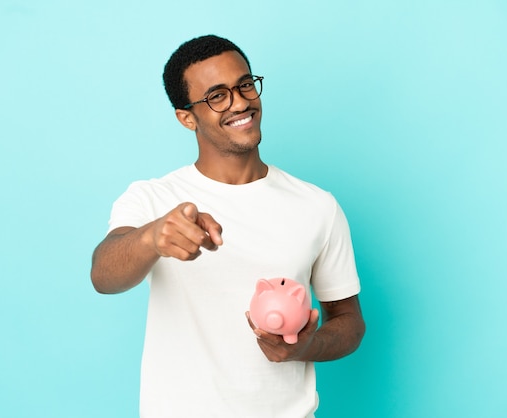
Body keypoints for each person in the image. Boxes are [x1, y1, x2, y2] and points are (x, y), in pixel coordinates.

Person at [91, 34, 366, 418]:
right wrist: (153, 237)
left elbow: (349, 321)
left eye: (245, 85)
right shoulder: (153, 198)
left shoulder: (317, 205)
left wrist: (305, 348)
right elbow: (103, 274)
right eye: (217, 95)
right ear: (187, 117)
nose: (240, 102)